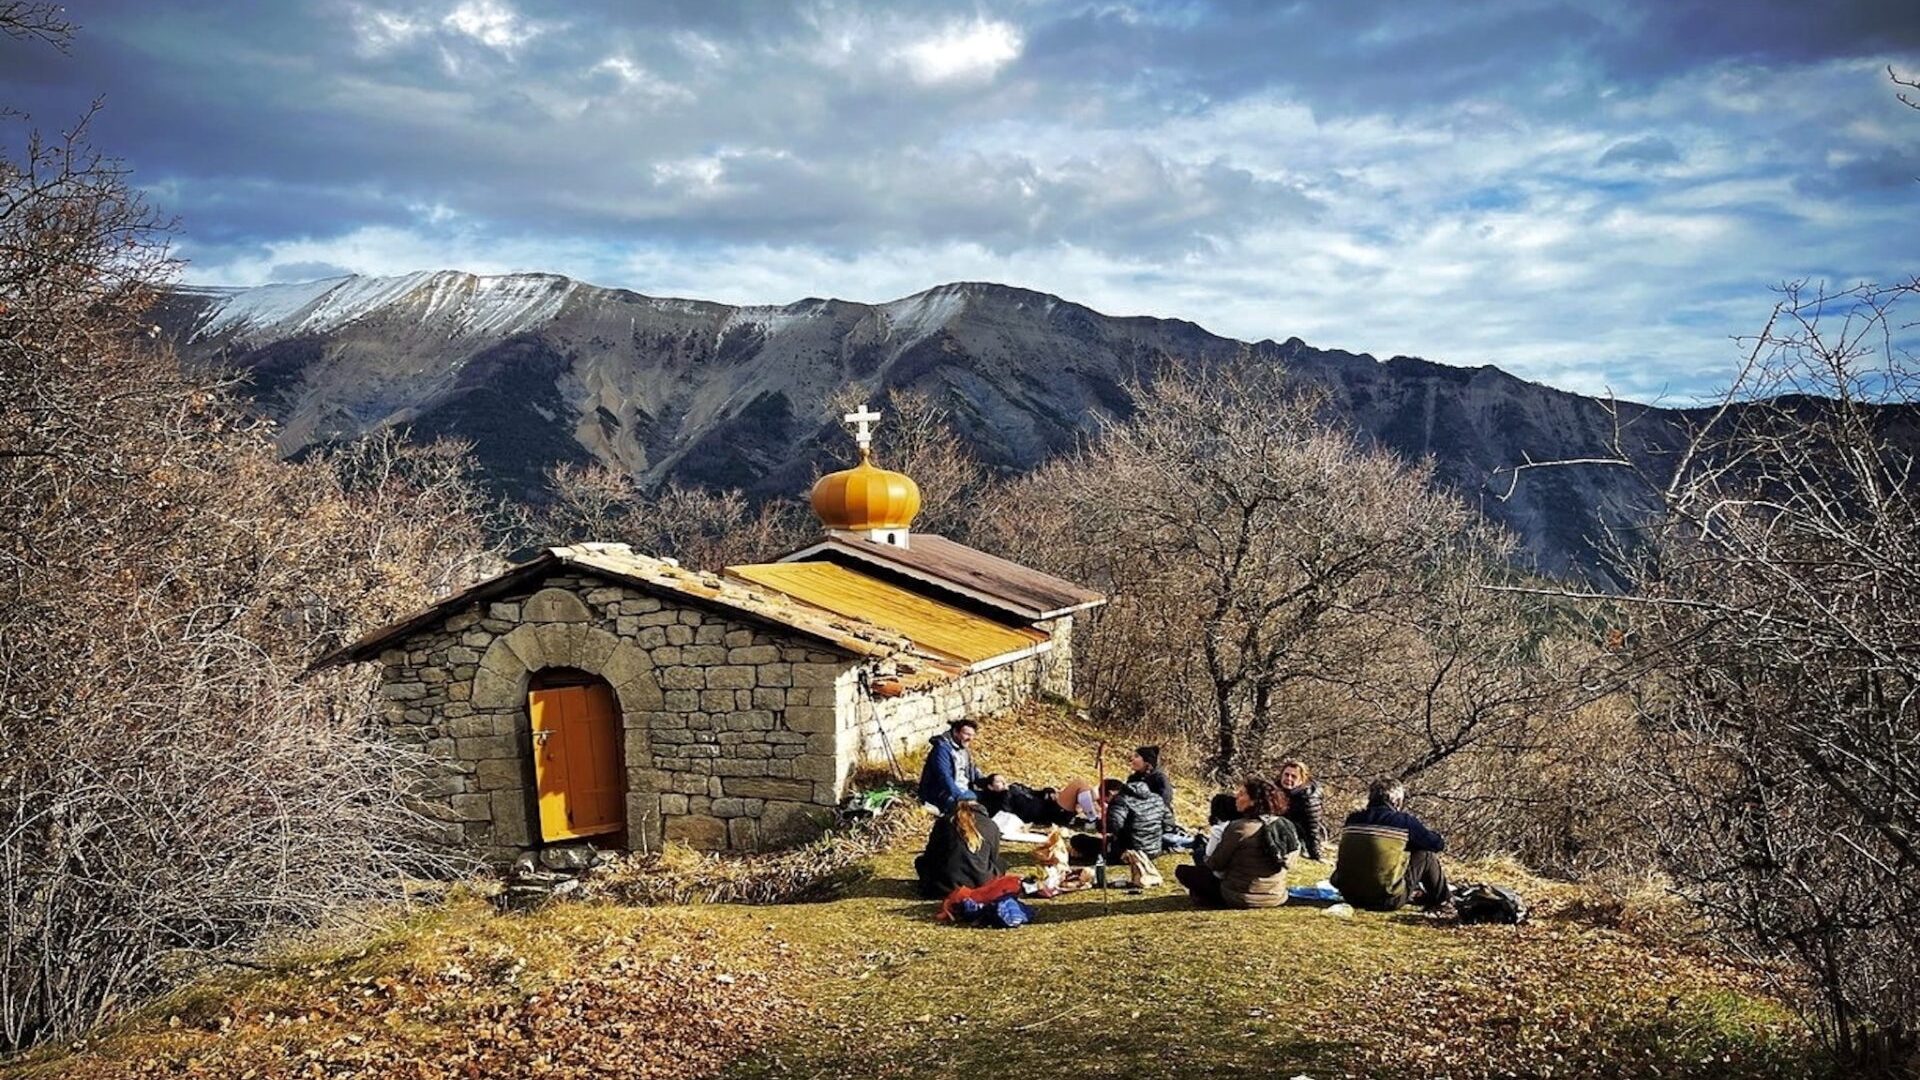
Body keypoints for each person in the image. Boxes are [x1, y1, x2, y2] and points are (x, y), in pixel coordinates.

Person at [1329, 778, 1450, 912]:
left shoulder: (1353, 819)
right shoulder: (1403, 821)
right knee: (1425, 855)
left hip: (1350, 896)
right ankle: (1443, 901)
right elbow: (1436, 845)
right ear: (1397, 800)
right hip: (1386, 900)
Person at [1176, 777, 1298, 909]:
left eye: (1241, 794)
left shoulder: (1240, 828)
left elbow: (1216, 863)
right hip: (1277, 896)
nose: (1236, 797)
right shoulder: (1285, 825)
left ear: (1254, 802)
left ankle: (1207, 898)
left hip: (1240, 897)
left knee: (1183, 871)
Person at [914, 799, 1005, 899]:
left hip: (945, 887)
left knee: (921, 861)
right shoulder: (990, 825)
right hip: (981, 884)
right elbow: (994, 858)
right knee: (1001, 863)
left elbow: (930, 854)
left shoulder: (944, 822)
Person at [916, 718, 981, 814]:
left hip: (965, 790)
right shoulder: (942, 749)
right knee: (972, 811)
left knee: (994, 797)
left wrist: (991, 781)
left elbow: (973, 771)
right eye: (967, 734)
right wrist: (960, 798)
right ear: (955, 732)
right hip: (944, 794)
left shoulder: (963, 749)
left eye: (972, 735)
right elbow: (944, 777)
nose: (970, 738)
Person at [975, 773, 1076, 827]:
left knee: (1075, 789)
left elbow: (1033, 792)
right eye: (998, 781)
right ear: (990, 787)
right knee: (1064, 814)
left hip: (1043, 803)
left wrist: (1046, 792)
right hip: (1038, 814)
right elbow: (1005, 814)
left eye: (1003, 779)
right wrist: (1005, 793)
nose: (1003, 781)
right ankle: (1074, 813)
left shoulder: (1015, 786)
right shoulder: (996, 800)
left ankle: (1079, 814)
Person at [1278, 759, 1328, 861]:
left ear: (1302, 780)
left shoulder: (1309, 799)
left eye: (1294, 776)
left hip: (1298, 838)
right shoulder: (1274, 790)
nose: (1289, 778)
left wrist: (1316, 855)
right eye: (1286, 775)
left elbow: (1312, 829)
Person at [1127, 745, 1175, 811]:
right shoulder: (1132, 779)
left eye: (1136, 756)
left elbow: (1165, 800)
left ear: (1147, 762)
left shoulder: (1160, 778)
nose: (1132, 759)